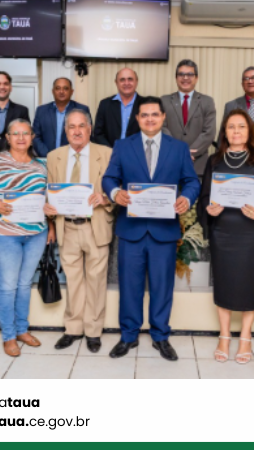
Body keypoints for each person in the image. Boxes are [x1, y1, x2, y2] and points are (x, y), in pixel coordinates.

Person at [102, 96, 200, 361]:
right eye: (144, 115)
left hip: (164, 230)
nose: (149, 119)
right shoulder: (123, 146)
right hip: (131, 229)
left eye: (154, 114)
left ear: (163, 117)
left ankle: (160, 336)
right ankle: (128, 336)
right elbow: (109, 178)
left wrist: (186, 197)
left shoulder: (178, 148)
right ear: (137, 118)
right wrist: (115, 193)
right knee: (129, 286)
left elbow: (192, 181)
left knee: (162, 286)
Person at [198, 109, 254, 364]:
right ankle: (224, 336)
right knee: (223, 283)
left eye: (241, 126)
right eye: (231, 126)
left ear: (249, 130)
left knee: (249, 284)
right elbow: (204, 196)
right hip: (223, 232)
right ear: (224, 131)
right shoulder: (214, 161)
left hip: (252, 234)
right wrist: (208, 209)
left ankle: (245, 336)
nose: (236, 131)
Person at [0, 118, 55, 357]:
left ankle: (22, 330)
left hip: (35, 234)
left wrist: (50, 225)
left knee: (24, 284)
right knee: (8, 286)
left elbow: (46, 198)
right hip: (2, 234)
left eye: (25, 133)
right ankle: (8, 336)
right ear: (7, 138)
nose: (20, 138)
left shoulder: (42, 164)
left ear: (32, 137)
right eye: (15, 134)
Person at [44, 109, 114, 353]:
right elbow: (49, 190)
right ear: (65, 131)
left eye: (81, 126)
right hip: (67, 226)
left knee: (96, 281)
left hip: (96, 225)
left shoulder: (106, 153)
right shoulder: (53, 156)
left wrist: (105, 198)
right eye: (71, 127)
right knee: (73, 281)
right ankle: (73, 329)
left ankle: (93, 331)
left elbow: (119, 188)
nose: (76, 131)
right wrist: (48, 209)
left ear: (89, 129)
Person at [161, 59, 216, 176]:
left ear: (196, 78)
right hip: (170, 161)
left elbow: (209, 132)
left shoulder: (207, 102)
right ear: (176, 78)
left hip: (197, 164)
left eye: (190, 74)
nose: (185, 78)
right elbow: (162, 127)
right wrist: (176, 152)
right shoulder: (164, 101)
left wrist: (188, 153)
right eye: (181, 74)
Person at [32, 77, 90, 157]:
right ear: (53, 91)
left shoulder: (82, 110)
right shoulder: (41, 111)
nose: (61, 91)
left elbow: (86, 135)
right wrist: (48, 155)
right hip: (46, 159)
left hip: (72, 158)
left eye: (65, 88)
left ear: (71, 92)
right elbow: (35, 136)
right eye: (58, 88)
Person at [93, 68, 143, 148]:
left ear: (136, 81)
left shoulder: (146, 105)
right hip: (109, 153)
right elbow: (98, 133)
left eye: (130, 79)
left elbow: (151, 132)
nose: (126, 83)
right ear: (116, 82)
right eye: (122, 80)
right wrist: (111, 151)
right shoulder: (105, 104)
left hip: (137, 153)